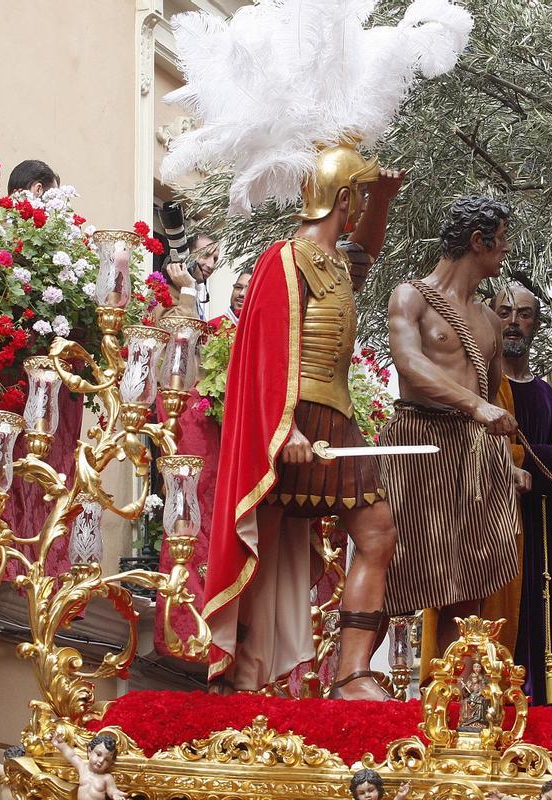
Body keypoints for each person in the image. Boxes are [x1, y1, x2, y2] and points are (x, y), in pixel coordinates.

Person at [204, 141, 406, 700]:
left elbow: (366, 248)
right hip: (292, 423)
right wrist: (281, 426)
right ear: (344, 198)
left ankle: (352, 674)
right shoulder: (284, 258)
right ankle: (241, 679)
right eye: (360, 196)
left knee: (378, 529)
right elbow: (268, 349)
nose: (362, 205)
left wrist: (384, 200)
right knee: (261, 541)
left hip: (336, 417)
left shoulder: (338, 262)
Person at [382, 196, 525, 658]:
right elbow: (409, 364)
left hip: (473, 457)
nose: (505, 251)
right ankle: (355, 680)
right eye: (501, 241)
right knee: (392, 568)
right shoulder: (411, 296)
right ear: (478, 241)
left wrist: (505, 460)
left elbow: (492, 394)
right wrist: (475, 408)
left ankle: (455, 695)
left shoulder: (488, 319)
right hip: (418, 445)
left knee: (468, 580)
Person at [480, 282, 552, 703]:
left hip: (537, 534)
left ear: (535, 325)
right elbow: (487, 452)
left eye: (523, 314)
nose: (513, 322)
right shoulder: (484, 387)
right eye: (504, 312)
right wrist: (549, 455)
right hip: (495, 526)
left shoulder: (543, 393)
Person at [51, 732, 128, 800]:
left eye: (107, 760)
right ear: (89, 752)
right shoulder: (83, 768)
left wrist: (115, 794)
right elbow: (72, 756)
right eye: (98, 754)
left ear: (110, 763)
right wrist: (61, 745)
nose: (101, 761)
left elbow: (112, 790)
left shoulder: (107, 778)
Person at [161, 233, 220, 321]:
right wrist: (188, 288)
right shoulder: (161, 291)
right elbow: (178, 330)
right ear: (185, 257)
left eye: (215, 259)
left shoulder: (191, 291)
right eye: (205, 255)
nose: (211, 265)